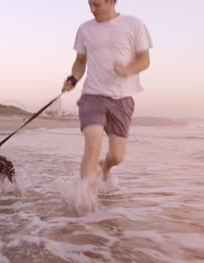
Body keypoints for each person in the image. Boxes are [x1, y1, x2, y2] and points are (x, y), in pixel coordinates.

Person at [62, 0, 152, 210]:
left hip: (122, 98)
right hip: (92, 95)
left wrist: (128, 70)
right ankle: (84, 204)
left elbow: (144, 60)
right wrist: (73, 78)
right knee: (93, 143)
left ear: (112, 1)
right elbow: (80, 61)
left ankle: (106, 169)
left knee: (117, 156)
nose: (92, 9)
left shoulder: (133, 24)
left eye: (97, 4)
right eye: (89, 4)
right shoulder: (85, 29)